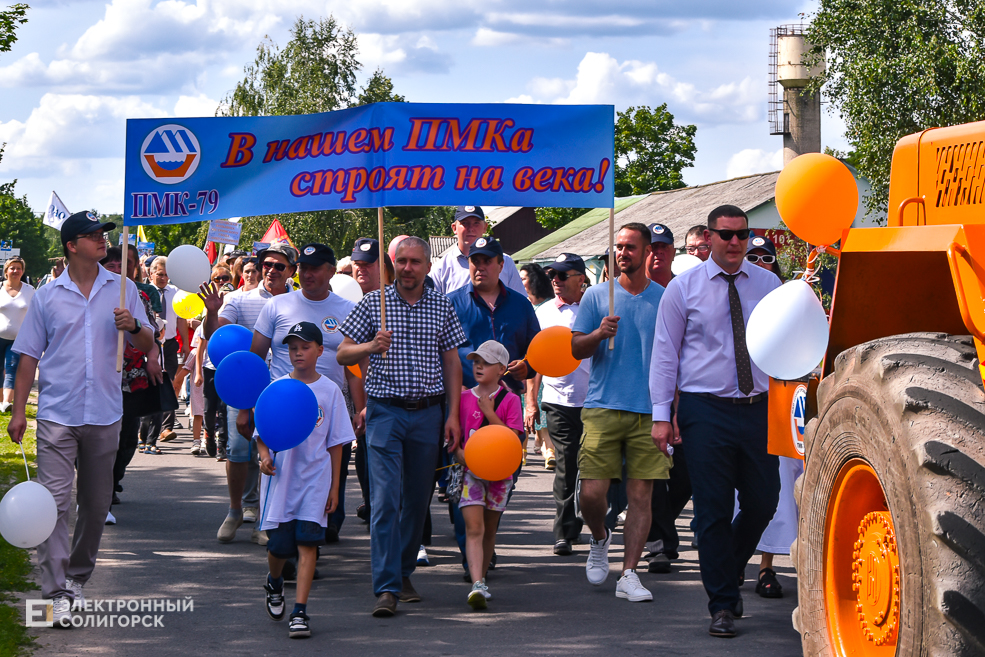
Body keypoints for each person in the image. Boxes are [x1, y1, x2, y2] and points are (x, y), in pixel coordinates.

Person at [7, 211, 155, 626]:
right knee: (54, 505)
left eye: (102, 234)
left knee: (95, 503)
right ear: (72, 246)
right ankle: (55, 593)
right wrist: (19, 411)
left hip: (106, 414)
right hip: (57, 414)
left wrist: (135, 327)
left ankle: (77, 578)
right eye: (92, 236)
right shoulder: (48, 296)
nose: (101, 240)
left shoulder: (123, 290)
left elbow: (147, 341)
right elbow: (28, 358)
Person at [650, 205, 782, 638]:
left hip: (759, 406)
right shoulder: (683, 289)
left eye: (741, 235)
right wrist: (660, 417)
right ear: (709, 238)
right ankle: (722, 604)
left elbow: (783, 345)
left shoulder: (769, 284)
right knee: (713, 510)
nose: (734, 243)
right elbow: (665, 355)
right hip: (704, 409)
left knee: (764, 501)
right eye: (725, 235)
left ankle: (728, 568)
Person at [337, 236, 467, 618]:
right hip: (385, 412)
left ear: (427, 266)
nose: (408, 268)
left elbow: (453, 362)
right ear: (394, 264)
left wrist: (454, 414)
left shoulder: (441, 305)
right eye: (402, 261)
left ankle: (404, 571)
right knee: (385, 500)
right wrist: (368, 347)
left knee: (416, 501)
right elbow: (343, 352)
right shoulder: (373, 303)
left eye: (415, 262)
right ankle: (387, 586)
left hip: (428, 413)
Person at [570, 223, 669, 603]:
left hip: (649, 409)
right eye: (619, 246)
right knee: (591, 494)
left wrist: (670, 410)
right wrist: (598, 334)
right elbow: (576, 349)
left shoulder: (666, 298)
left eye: (630, 247)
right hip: (602, 405)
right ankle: (599, 537)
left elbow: (676, 356)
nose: (622, 252)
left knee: (640, 496)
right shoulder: (597, 295)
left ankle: (629, 573)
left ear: (648, 253)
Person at [247, 243, 364, 541]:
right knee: (281, 469)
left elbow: (355, 367)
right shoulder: (277, 305)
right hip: (282, 405)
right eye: (304, 268)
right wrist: (249, 408)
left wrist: (359, 409)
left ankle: (318, 529)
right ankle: (280, 539)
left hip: (329, 406)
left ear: (331, 271)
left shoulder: (347, 309)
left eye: (315, 268)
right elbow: (255, 359)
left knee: (326, 466)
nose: (307, 274)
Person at [258, 322, 354, 639]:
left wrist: (334, 486)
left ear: (319, 350)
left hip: (316, 480)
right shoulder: (277, 388)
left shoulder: (329, 391)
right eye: (293, 347)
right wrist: (264, 455)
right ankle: (274, 582)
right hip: (282, 479)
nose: (298, 352)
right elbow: (262, 432)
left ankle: (300, 611)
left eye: (305, 346)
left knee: (308, 543)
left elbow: (337, 442)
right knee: (280, 546)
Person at [201, 242, 297, 543]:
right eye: (265, 264)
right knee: (238, 451)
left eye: (278, 266)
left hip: (282, 388)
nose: (270, 270)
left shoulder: (298, 301)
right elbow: (216, 335)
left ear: (291, 271)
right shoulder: (239, 300)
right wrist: (212, 313)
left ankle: (266, 518)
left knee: (273, 452)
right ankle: (235, 510)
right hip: (243, 387)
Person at [743, 234, 799, 598]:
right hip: (733, 406)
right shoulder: (727, 299)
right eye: (753, 257)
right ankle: (733, 561)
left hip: (777, 402)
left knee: (778, 488)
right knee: (735, 490)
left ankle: (766, 567)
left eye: (767, 258)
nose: (761, 263)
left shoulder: (789, 304)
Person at [528, 253, 590, 556]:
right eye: (553, 275)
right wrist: (531, 401)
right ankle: (563, 530)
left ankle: (594, 519)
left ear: (581, 279)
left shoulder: (595, 306)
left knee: (592, 467)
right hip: (557, 400)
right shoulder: (543, 313)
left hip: (594, 401)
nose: (556, 281)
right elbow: (534, 361)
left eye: (563, 275)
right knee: (566, 464)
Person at [455, 341, 524, 610]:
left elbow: (513, 439)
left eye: (486, 362)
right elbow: (455, 435)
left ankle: (481, 578)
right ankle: (477, 584)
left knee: (489, 530)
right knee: (474, 527)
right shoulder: (462, 398)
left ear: (502, 370)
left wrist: (488, 412)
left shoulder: (511, 400)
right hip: (471, 473)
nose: (479, 366)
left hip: (500, 474)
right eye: (476, 361)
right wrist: (458, 451)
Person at [100, 246, 163, 511]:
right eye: (111, 264)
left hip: (131, 378)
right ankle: (98, 487)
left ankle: (113, 480)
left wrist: (154, 359)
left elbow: (151, 335)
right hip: (101, 379)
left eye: (124, 263)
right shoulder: (94, 294)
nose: (117, 268)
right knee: (100, 437)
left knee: (127, 438)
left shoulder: (140, 296)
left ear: (135, 267)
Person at [139, 256, 189, 447]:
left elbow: (181, 319)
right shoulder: (142, 291)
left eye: (167, 275)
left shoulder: (176, 293)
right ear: (151, 273)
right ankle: (142, 427)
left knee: (168, 383)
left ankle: (166, 427)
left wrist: (184, 342)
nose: (163, 278)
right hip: (147, 342)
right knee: (146, 383)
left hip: (168, 344)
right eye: (160, 274)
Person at [431, 206, 526, 296]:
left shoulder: (505, 262)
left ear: (485, 227)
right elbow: (434, 307)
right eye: (465, 223)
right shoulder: (440, 268)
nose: (471, 229)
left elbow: (520, 303)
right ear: (454, 228)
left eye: (476, 223)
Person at [518, 263, 555, 469]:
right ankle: (521, 448)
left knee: (539, 402)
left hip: (542, 364)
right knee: (524, 403)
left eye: (524, 278)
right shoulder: (522, 305)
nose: (521, 282)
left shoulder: (549, 306)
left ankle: (549, 447)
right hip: (522, 361)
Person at [201, 265, 232, 460]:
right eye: (217, 278)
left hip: (229, 366)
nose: (221, 281)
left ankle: (223, 445)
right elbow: (204, 341)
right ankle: (209, 434)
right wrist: (196, 370)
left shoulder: (234, 300)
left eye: (225, 277)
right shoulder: (208, 304)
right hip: (211, 366)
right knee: (210, 407)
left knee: (225, 407)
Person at [0, 256, 35, 412]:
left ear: (22, 271)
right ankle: (1, 401)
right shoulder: (0, 288)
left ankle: (7, 402)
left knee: (11, 368)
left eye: (18, 268)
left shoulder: (30, 291)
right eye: (12, 268)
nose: (15, 271)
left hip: (18, 339)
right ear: (6, 271)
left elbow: (36, 314)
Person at [172, 320, 205, 454]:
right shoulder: (194, 353)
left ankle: (206, 440)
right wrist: (175, 382)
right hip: (197, 390)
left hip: (209, 389)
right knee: (198, 415)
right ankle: (196, 441)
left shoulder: (215, 352)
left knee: (211, 416)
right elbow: (186, 369)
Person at [645, 223, 675, 287]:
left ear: (674, 253)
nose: (659, 251)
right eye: (653, 246)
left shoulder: (685, 288)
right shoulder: (632, 290)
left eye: (664, 246)